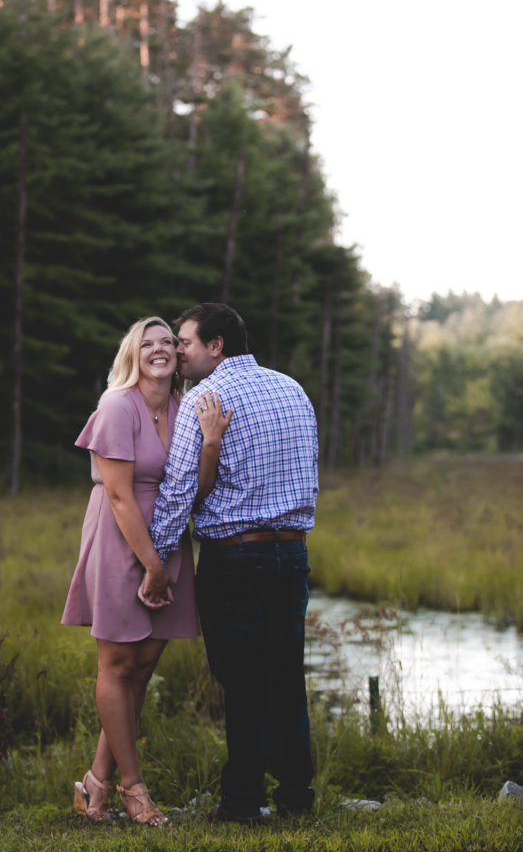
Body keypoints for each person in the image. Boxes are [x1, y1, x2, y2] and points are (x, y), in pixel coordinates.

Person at [147, 303, 319, 824]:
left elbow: (177, 493)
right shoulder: (293, 389)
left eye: (186, 342)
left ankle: (242, 801)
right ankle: (295, 796)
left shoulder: (205, 398)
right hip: (291, 552)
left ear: (216, 346)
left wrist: (153, 559)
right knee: (286, 675)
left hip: (234, 558)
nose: (178, 351)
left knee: (241, 677)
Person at [61, 316, 230, 826]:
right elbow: (116, 493)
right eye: (149, 343)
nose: (160, 349)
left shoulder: (184, 411)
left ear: (180, 357)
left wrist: (209, 444)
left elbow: (197, 492)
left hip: (170, 536)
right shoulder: (117, 405)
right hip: (121, 538)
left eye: (169, 343)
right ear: (133, 353)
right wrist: (150, 564)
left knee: (144, 666)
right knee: (117, 665)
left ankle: (97, 781)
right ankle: (135, 791)